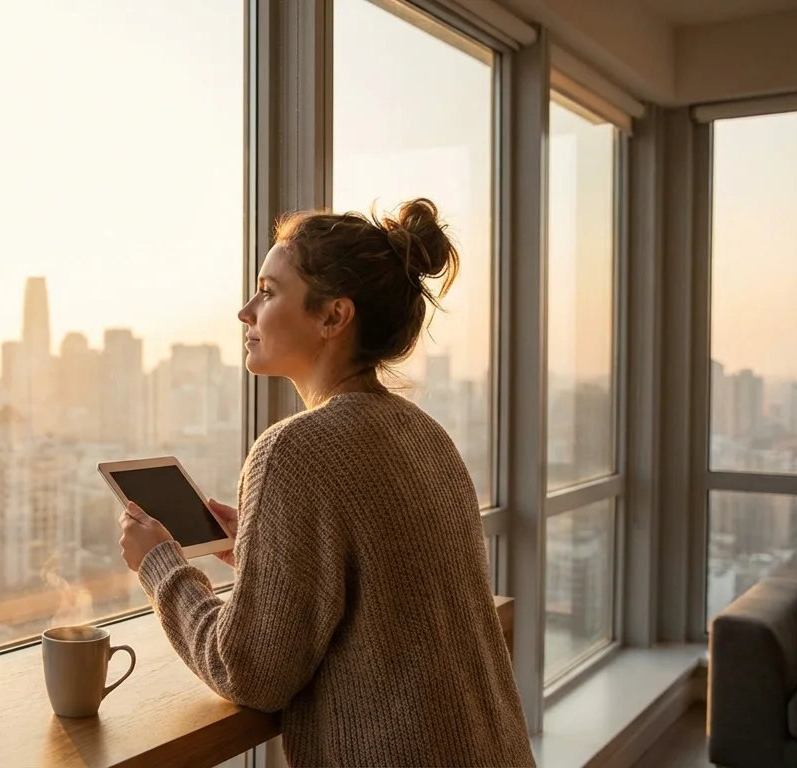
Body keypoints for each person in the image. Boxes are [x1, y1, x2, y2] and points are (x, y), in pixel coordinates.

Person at [117, 199, 534, 767]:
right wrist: (271, 553)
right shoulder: (423, 433)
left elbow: (247, 672)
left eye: (268, 291)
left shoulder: (295, 450)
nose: (245, 311)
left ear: (333, 317)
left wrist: (161, 566)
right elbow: (388, 591)